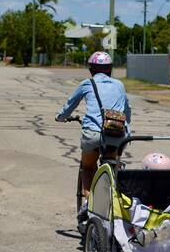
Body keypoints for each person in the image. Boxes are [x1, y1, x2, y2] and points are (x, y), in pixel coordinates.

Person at [56, 50, 132, 214]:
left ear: (91, 69)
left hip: (93, 133)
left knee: (88, 167)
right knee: (112, 166)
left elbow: (71, 104)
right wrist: (127, 126)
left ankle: (88, 204)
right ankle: (115, 197)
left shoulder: (86, 84)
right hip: (117, 134)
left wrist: (61, 117)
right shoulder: (119, 85)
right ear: (110, 69)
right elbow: (127, 110)